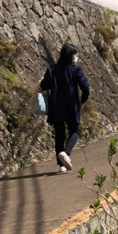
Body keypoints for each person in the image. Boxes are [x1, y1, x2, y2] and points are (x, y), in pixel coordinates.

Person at [40, 43, 90, 173]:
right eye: (76, 55)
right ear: (70, 56)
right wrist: (83, 100)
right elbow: (85, 86)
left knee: (59, 134)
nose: (77, 57)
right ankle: (66, 153)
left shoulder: (52, 69)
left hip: (56, 105)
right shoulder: (76, 70)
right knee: (75, 130)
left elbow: (44, 86)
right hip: (71, 105)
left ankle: (61, 165)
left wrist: (43, 81)